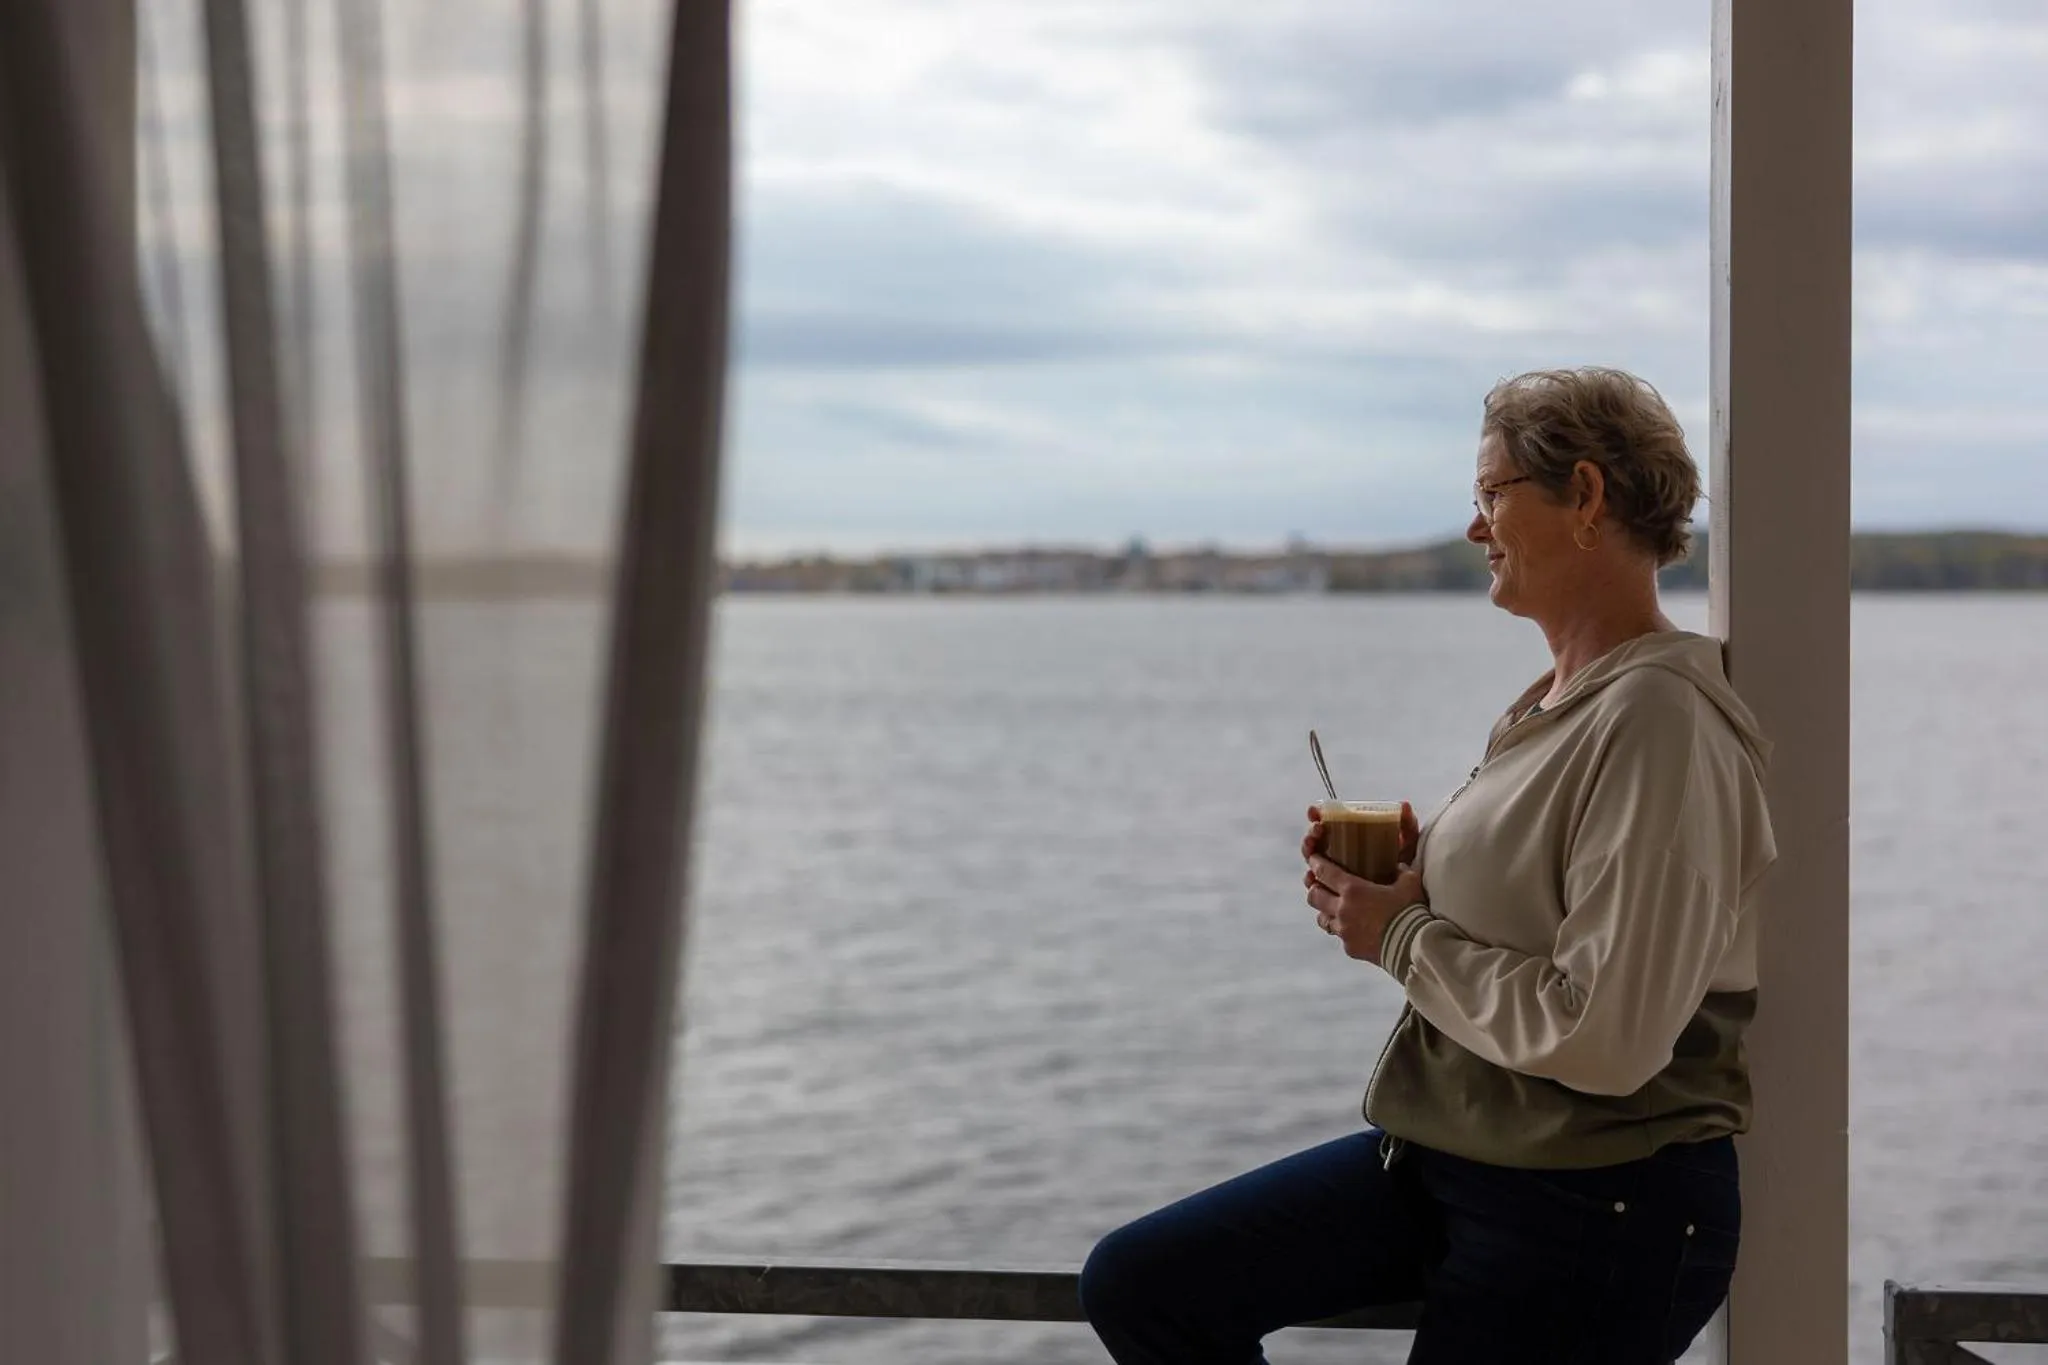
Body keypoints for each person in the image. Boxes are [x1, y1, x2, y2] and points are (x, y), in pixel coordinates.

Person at [1079, 367, 1778, 1364]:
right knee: (1146, 1283)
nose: (1473, 527)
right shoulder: (1552, 702)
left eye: (1492, 494)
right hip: (1455, 1158)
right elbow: (1548, 898)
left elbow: (1608, 1036)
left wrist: (1401, 934)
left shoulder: (1658, 719)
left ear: (1584, 497)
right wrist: (1419, 880)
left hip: (1595, 1207)